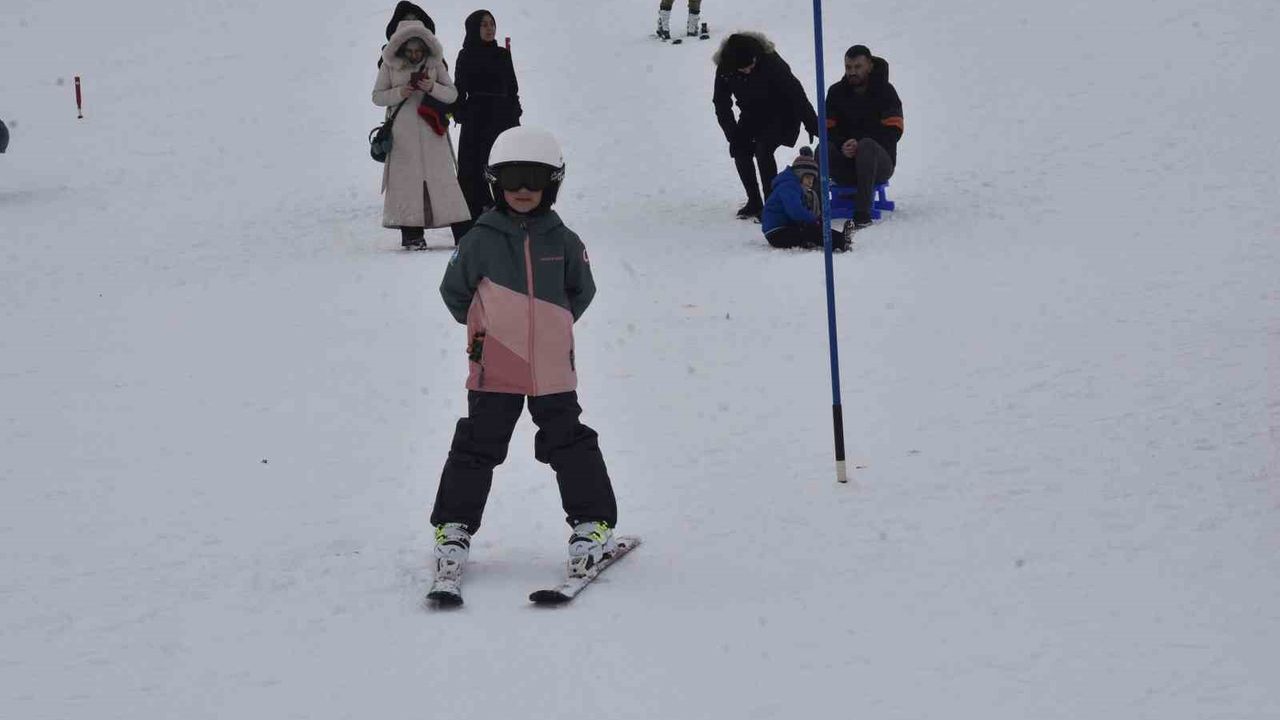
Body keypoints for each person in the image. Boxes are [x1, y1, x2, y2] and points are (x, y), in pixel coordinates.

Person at [432, 126, 620, 590]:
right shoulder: (479, 239)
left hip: (553, 367)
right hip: (495, 363)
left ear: (551, 184)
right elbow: (454, 292)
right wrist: (487, 328)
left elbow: (583, 290)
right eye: (512, 179)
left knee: (568, 439)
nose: (521, 190)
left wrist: (552, 327)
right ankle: (453, 527)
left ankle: (591, 522)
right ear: (496, 183)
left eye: (533, 180)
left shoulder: (564, 240)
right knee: (479, 441)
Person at [372, 21, 470, 249]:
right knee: (406, 185)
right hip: (403, 137)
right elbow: (377, 96)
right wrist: (400, 92)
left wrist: (431, 87)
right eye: (410, 51)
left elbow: (452, 94)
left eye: (418, 50)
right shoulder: (389, 66)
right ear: (401, 47)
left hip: (432, 133)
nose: (415, 55)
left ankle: (462, 235)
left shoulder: (435, 64)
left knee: (443, 182)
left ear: (426, 47)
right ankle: (412, 235)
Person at [713, 32, 819, 221]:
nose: (748, 70)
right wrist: (732, 133)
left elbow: (796, 93)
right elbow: (721, 103)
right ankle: (754, 201)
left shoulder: (771, 61)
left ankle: (771, 205)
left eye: (751, 65)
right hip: (752, 114)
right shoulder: (725, 67)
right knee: (739, 149)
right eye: (743, 69)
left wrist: (812, 123)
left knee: (763, 149)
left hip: (783, 113)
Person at [451, 9, 522, 241]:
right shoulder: (466, 55)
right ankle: (470, 225)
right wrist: (459, 113)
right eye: (484, 25)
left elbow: (512, 88)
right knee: (473, 170)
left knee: (501, 168)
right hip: (476, 120)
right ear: (473, 28)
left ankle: (504, 219)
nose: (490, 28)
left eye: (492, 24)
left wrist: (515, 114)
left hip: (502, 118)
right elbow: (459, 89)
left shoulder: (503, 54)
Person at [825, 44, 903, 236]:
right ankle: (817, 209)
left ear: (869, 65)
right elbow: (827, 128)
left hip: (879, 164)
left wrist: (860, 143)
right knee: (823, 148)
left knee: (867, 146)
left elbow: (894, 129)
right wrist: (842, 144)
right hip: (845, 165)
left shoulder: (886, 92)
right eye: (848, 67)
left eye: (857, 67)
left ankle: (862, 213)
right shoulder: (836, 92)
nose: (852, 72)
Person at [761, 147, 849, 251]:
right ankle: (839, 241)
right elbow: (795, 210)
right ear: (799, 173)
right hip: (776, 233)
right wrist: (813, 219)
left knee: (811, 229)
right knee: (809, 232)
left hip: (785, 227)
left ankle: (839, 237)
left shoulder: (794, 186)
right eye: (807, 178)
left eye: (812, 179)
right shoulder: (789, 186)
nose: (810, 182)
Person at [378, 2, 437, 68]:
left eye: (415, 21)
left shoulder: (432, 50)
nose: (410, 25)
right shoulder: (390, 50)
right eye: (406, 21)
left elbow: (442, 71)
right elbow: (383, 71)